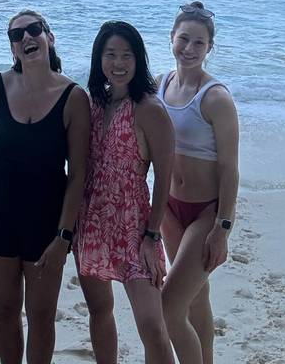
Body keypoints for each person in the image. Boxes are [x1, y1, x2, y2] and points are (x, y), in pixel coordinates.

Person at [0, 9, 90, 364]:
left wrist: (64, 235)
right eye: (16, 35)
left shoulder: (74, 97)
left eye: (34, 30)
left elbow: (78, 173)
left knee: (41, 316)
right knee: (4, 310)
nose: (26, 38)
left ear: (50, 37)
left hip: (46, 223)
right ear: (13, 49)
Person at [74, 20, 175, 364]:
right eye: (110, 54)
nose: (118, 63)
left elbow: (164, 176)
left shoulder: (149, 108)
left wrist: (152, 234)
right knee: (99, 312)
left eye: (126, 55)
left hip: (134, 226)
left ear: (139, 59)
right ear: (98, 59)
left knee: (152, 325)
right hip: (91, 222)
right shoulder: (94, 103)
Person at [158, 2, 240, 364]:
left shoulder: (216, 98)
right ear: (171, 39)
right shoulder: (161, 84)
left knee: (168, 306)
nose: (189, 49)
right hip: (169, 209)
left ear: (210, 48)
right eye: (184, 39)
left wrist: (223, 227)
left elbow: (230, 170)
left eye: (199, 43)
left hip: (206, 213)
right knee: (196, 297)